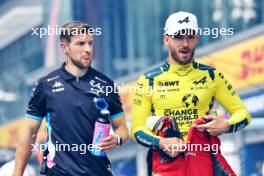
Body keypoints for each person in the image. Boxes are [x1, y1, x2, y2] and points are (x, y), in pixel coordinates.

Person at [131, 11, 251, 175]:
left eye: (190, 37)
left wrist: (226, 125)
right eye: (179, 37)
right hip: (167, 165)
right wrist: (161, 142)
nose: (185, 43)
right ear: (166, 39)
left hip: (202, 162)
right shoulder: (148, 80)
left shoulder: (211, 76)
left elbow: (243, 114)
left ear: (197, 39)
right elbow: (136, 129)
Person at [14, 21, 129, 176]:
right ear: (64, 48)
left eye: (90, 43)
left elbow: (122, 128)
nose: (88, 49)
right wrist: (17, 173)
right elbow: (29, 132)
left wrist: (117, 139)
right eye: (80, 44)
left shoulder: (106, 84)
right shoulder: (45, 85)